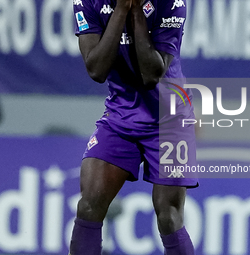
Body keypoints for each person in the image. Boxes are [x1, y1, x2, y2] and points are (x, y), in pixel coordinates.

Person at [70, 0, 198, 254]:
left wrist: (136, 10)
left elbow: (152, 74)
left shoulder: (172, 3)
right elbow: (96, 69)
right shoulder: (87, 2)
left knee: (168, 216)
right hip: (120, 117)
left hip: (170, 120)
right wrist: (121, 9)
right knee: (88, 205)